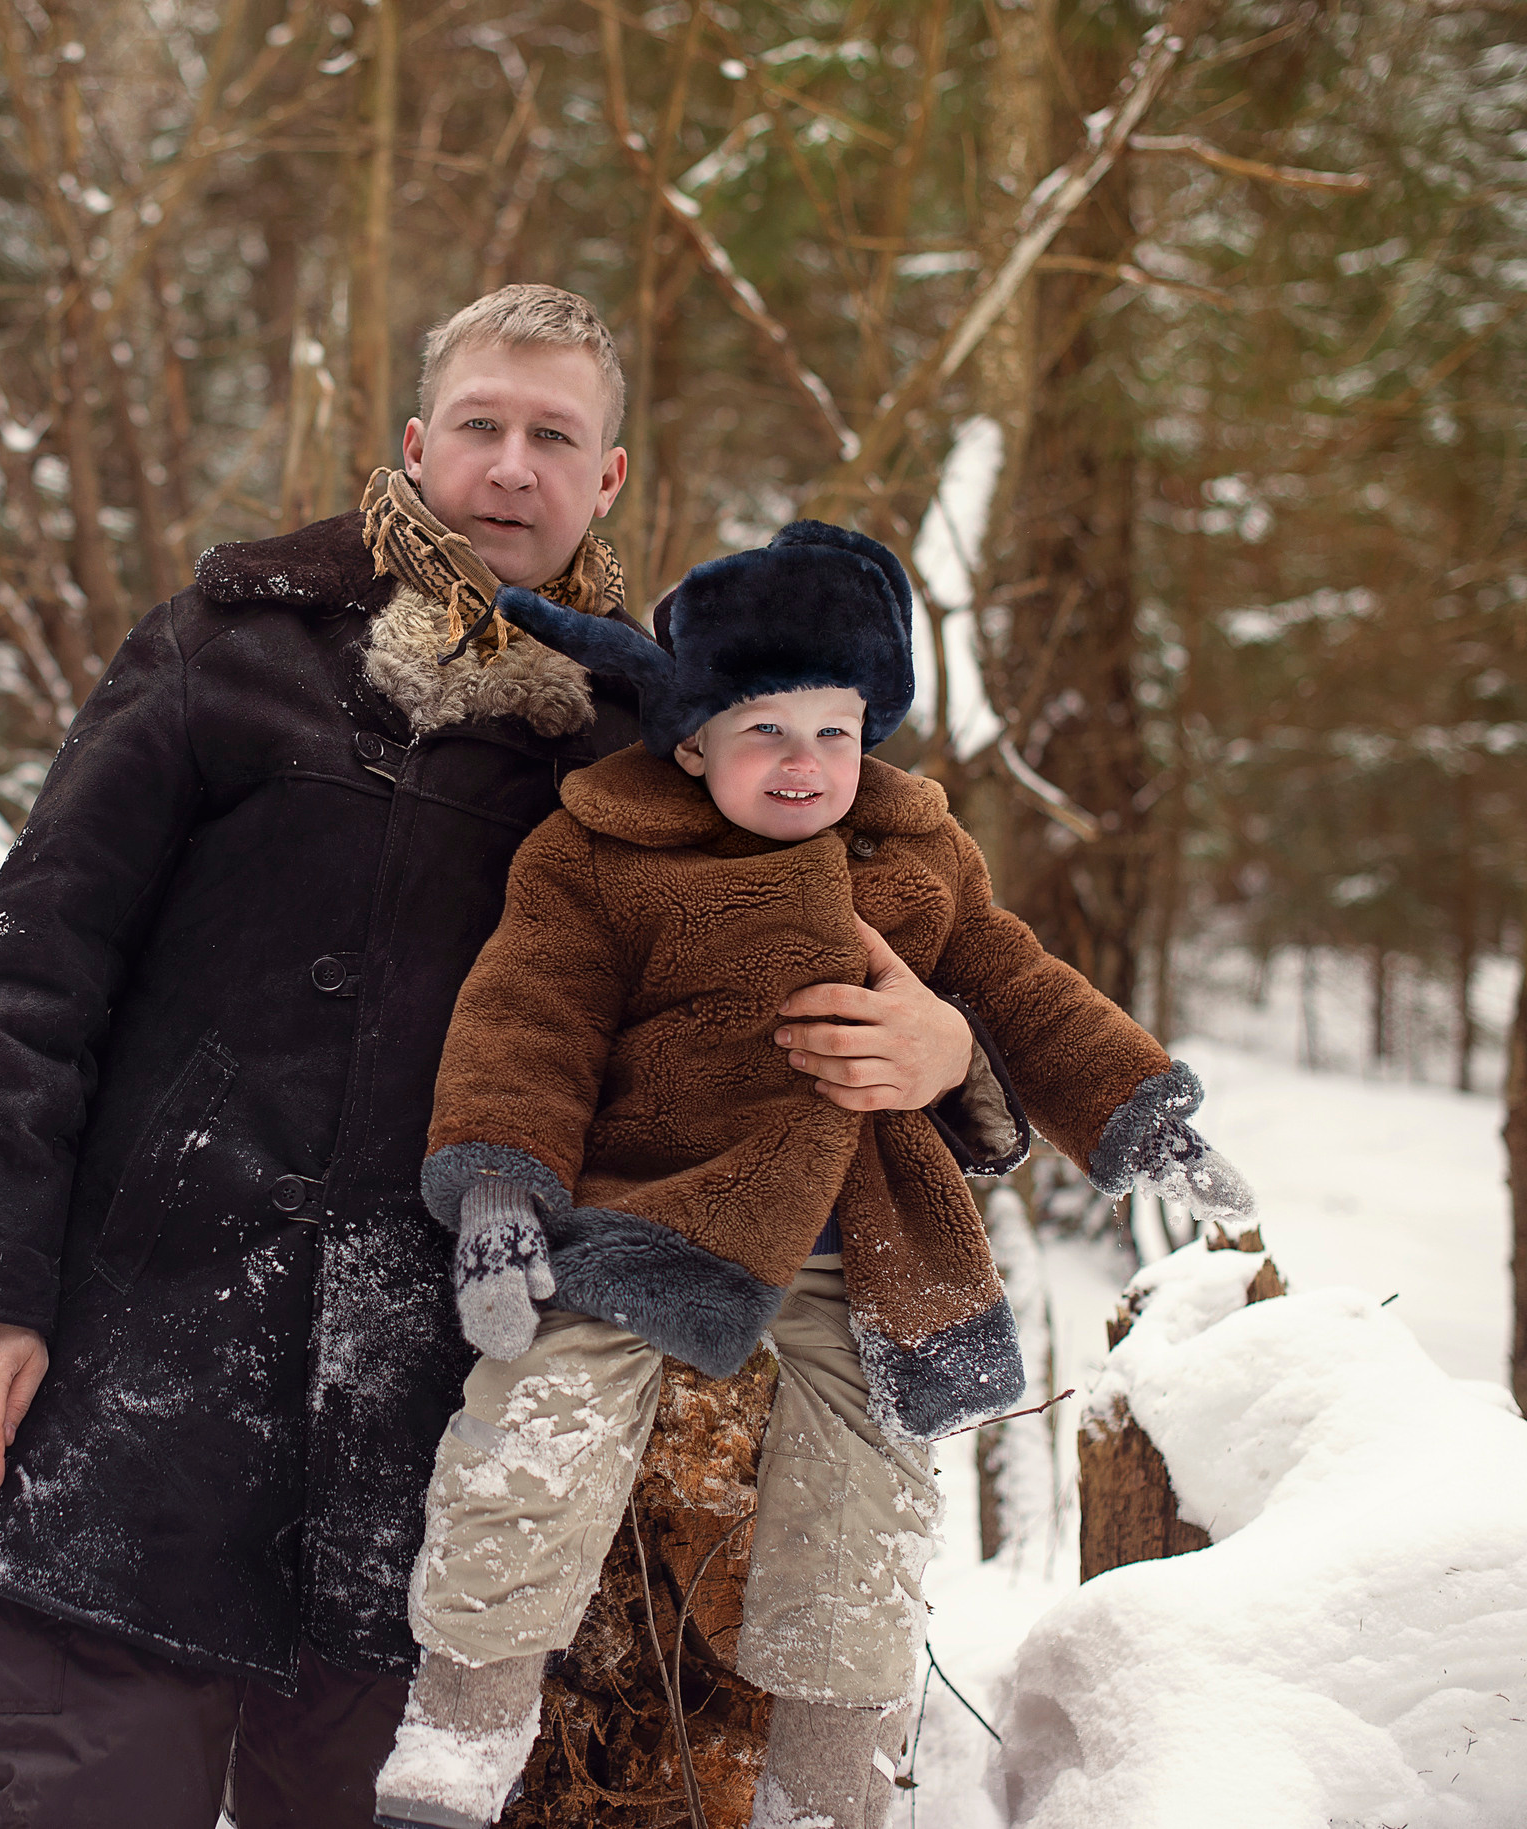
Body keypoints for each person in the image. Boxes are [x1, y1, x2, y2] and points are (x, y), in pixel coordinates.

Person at [0, 286, 1010, 1828]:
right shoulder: (232, 641)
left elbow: (858, 963)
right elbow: (30, 972)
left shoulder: (668, 742)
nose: (510, 465)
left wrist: (951, 1051)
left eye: (553, 436)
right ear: (419, 445)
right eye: (481, 424)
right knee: (75, 1799)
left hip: (434, 1410)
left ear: (607, 477)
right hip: (142, 1365)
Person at [368, 523, 1256, 1829]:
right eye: (765, 731)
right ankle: (458, 1740)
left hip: (868, 1244)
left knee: (868, 1509)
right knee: (534, 1439)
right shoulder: (600, 856)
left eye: (834, 731)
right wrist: (503, 1194)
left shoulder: (920, 859)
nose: (805, 763)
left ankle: (826, 1798)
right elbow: (526, 1023)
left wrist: (1137, 1114)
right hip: (653, 1222)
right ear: (692, 741)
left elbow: (1026, 993)